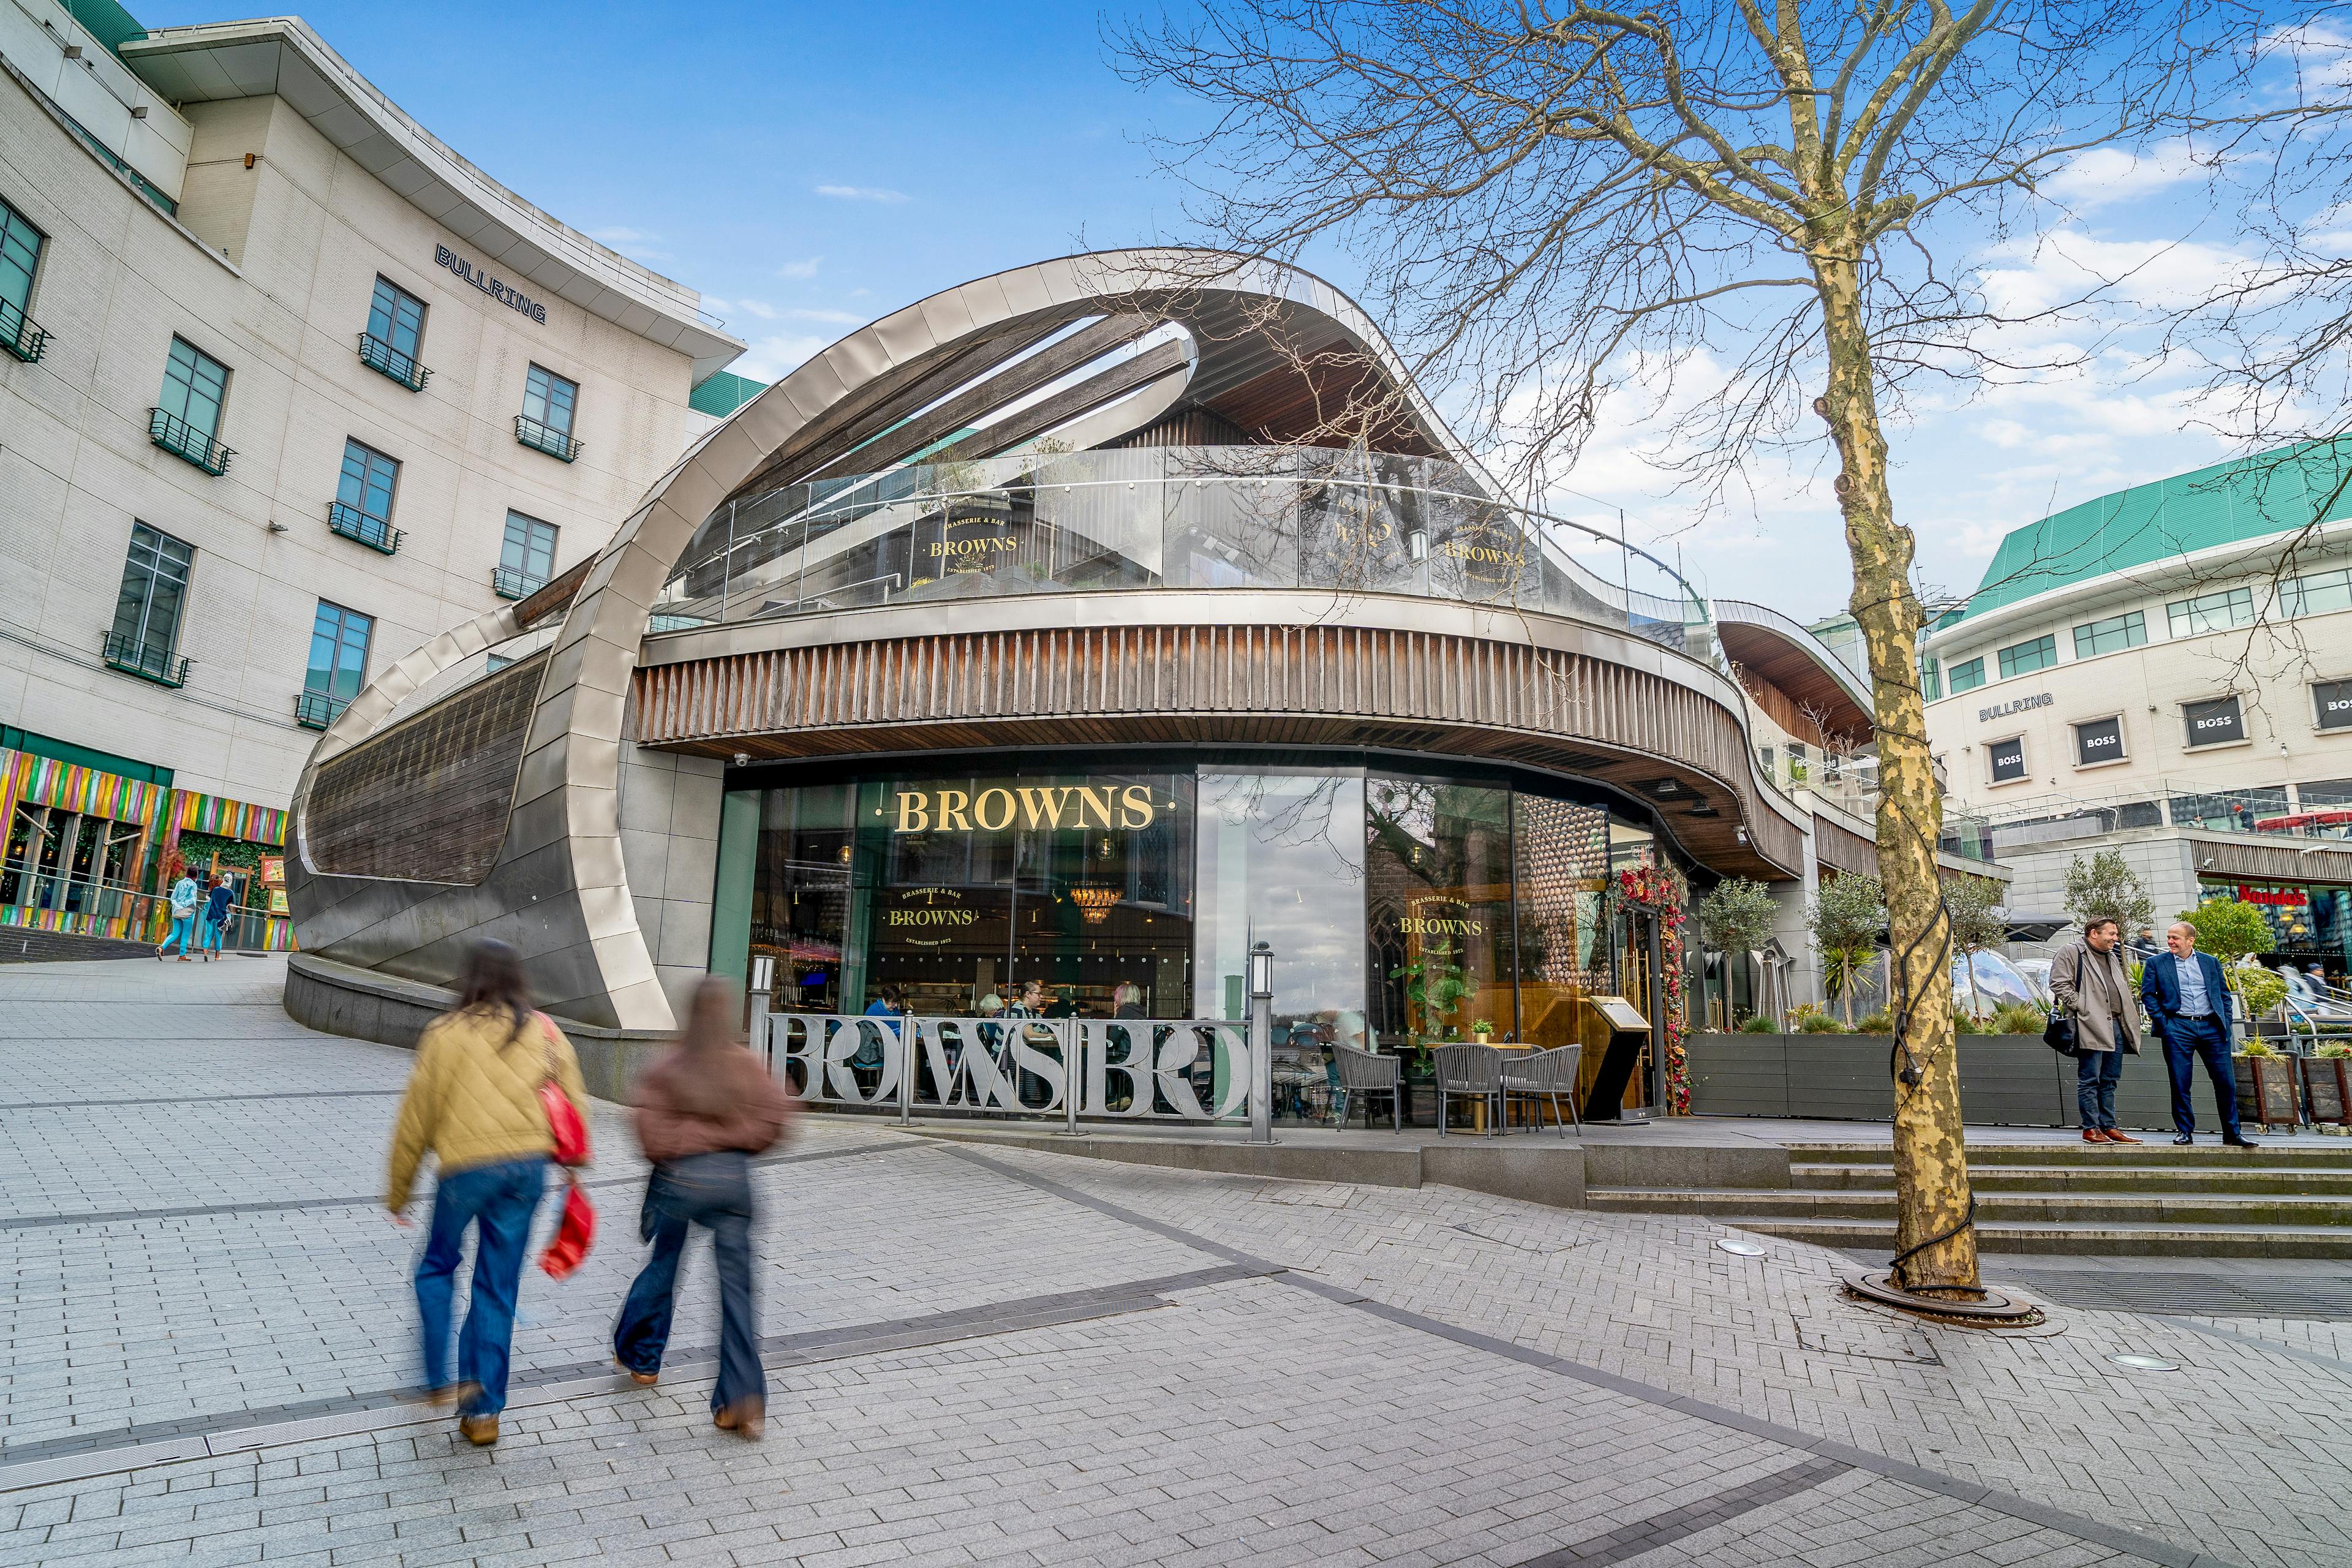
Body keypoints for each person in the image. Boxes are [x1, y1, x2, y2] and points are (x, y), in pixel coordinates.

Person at [385, 940, 590, 1447]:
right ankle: (484, 1414)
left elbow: (416, 1119)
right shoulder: (545, 1031)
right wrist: (573, 1165)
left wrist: (398, 1192)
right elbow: (575, 1100)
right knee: (497, 1288)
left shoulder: (445, 1033)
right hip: (526, 1172)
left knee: (437, 1267)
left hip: (464, 1172)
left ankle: (438, 1377)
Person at [612, 978, 794, 1439]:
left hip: (681, 1182)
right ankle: (740, 1397)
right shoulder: (747, 1064)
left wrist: (687, 1143)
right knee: (738, 1293)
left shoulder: (671, 1065)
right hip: (734, 1185)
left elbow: (649, 1134)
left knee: (665, 1264)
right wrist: (735, 1142)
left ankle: (643, 1358)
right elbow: (777, 1117)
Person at [2139, 921, 2257, 1148]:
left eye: (2175, 938)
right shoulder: (2156, 963)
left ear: (2190, 940)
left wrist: (2225, 1021)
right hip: (2178, 1027)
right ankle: (2185, 1131)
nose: (2170, 942)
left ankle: (2232, 1134)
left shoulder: (2210, 962)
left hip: (2212, 1027)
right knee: (2180, 1082)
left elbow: (2223, 994)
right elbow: (2148, 996)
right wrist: (2165, 1024)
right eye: (2169, 937)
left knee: (2226, 1083)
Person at [2050, 918, 2142, 1145]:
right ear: (2094, 933)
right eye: (2111, 934)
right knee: (2090, 1078)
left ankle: (2109, 1127)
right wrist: (2084, 1007)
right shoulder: (2071, 952)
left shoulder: (2111, 956)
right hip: (2090, 1024)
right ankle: (2091, 1129)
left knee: (2110, 1079)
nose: (2116, 938)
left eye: (2116, 934)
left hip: (2117, 1024)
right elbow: (2059, 984)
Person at [156, 868, 200, 961]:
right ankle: (182, 955)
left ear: (187, 873)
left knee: (175, 933)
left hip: (176, 911)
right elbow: (192, 900)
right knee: (185, 934)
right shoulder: (194, 885)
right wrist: (186, 907)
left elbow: (173, 898)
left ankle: (162, 947)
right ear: (196, 875)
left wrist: (178, 906)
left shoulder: (180, 883)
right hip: (188, 913)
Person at [199, 873, 235, 962]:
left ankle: (205, 953)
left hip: (211, 914)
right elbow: (231, 904)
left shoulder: (216, 889)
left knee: (208, 934)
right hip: (221, 916)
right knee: (218, 936)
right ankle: (217, 956)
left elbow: (210, 899)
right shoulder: (230, 893)